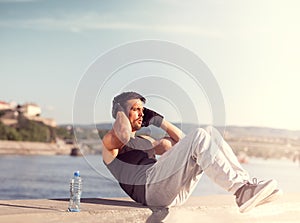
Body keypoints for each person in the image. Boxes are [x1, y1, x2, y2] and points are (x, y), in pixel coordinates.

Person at [102, 91, 282, 214]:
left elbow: (184, 142)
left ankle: (245, 186)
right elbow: (124, 133)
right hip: (150, 190)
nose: (141, 114)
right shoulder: (112, 142)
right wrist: (120, 109)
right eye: (135, 109)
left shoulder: (146, 142)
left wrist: (159, 121)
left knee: (209, 133)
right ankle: (241, 191)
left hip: (171, 193)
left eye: (143, 110)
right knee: (200, 136)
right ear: (120, 113)